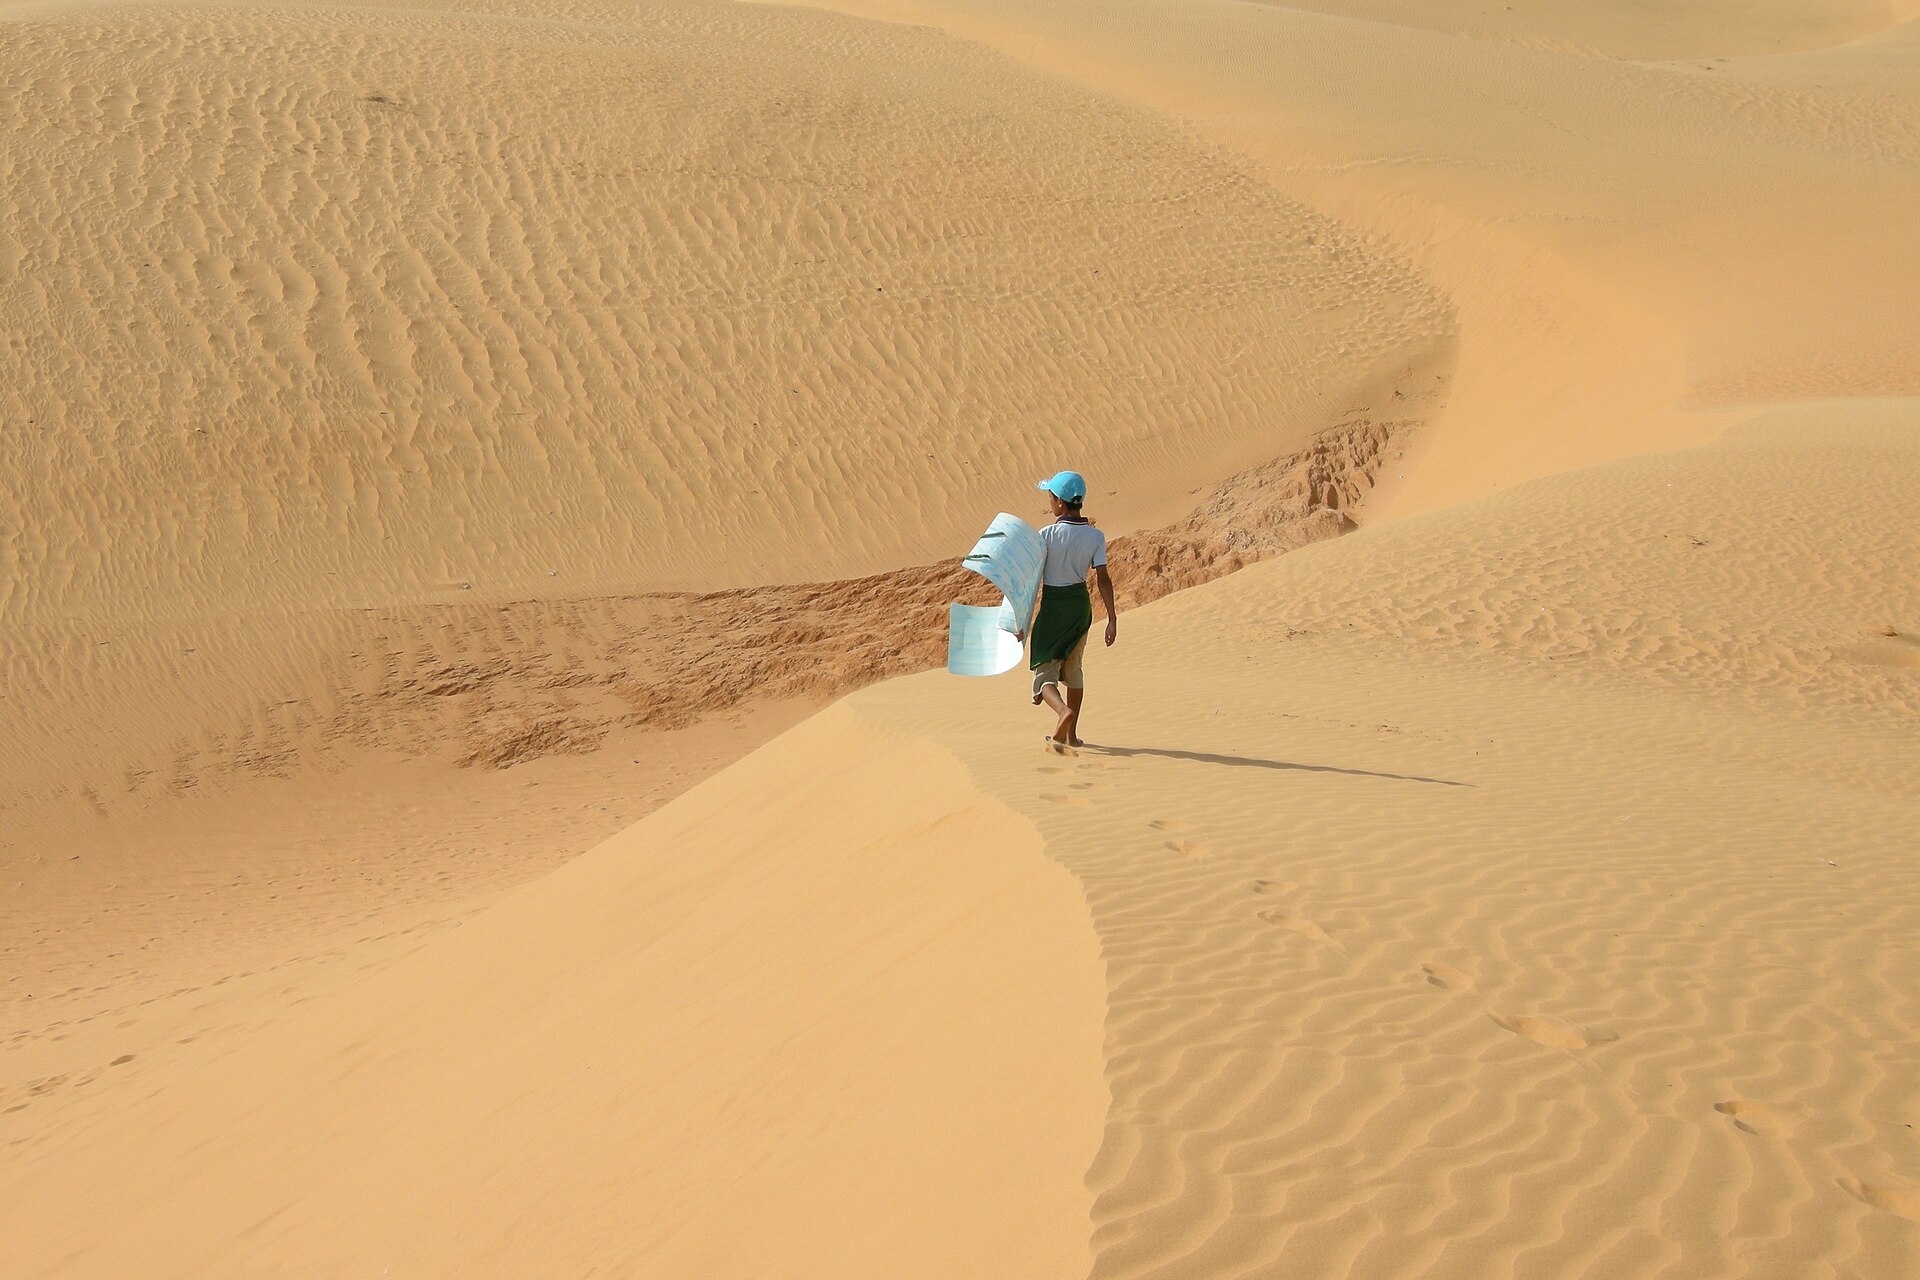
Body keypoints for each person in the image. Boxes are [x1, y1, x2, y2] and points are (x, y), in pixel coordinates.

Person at [1018, 470, 1117, 751]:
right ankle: (1071, 736)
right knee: (1074, 668)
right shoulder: (1096, 536)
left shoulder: (1046, 535)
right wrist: (1111, 618)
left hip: (1054, 607)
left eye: (1050, 496)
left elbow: (1031, 581)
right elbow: (1103, 578)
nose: (1049, 501)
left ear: (1060, 503)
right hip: (1079, 607)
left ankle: (1062, 712)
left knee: (1043, 672)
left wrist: (1020, 620)